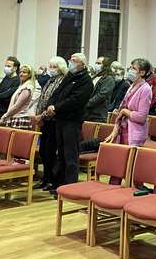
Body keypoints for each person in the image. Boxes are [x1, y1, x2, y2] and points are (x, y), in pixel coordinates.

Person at [48, 53, 93, 192]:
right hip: (60, 119)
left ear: (82, 65)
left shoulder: (86, 81)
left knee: (70, 155)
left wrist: (56, 107)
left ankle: (69, 187)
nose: (71, 63)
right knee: (60, 153)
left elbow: (75, 100)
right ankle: (58, 185)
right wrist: (51, 105)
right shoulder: (69, 76)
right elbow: (57, 93)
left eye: (74, 61)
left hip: (72, 121)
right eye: (70, 60)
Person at [33, 56, 67, 191]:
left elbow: (54, 102)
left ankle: (51, 179)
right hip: (44, 120)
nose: (52, 69)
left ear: (61, 68)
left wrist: (42, 115)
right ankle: (45, 178)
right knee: (43, 151)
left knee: (50, 152)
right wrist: (39, 116)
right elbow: (43, 99)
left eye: (55, 67)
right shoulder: (49, 80)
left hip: (53, 120)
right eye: (51, 66)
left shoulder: (62, 81)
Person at [105, 58, 153, 146]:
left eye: (134, 68)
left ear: (142, 72)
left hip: (134, 133)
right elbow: (124, 105)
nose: (130, 70)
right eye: (130, 68)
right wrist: (120, 111)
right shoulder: (132, 86)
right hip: (123, 128)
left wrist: (124, 111)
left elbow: (141, 117)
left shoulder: (146, 89)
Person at [0, 64, 38, 130]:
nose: (21, 74)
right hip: (15, 117)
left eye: (24, 72)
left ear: (29, 75)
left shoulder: (27, 87)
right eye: (20, 72)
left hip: (21, 119)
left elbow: (17, 106)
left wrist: (5, 115)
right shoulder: (21, 86)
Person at [83, 56, 114, 122]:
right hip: (87, 113)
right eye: (96, 63)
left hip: (98, 115)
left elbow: (101, 95)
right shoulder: (94, 77)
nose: (96, 65)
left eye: (99, 63)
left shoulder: (109, 79)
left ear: (105, 66)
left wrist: (86, 103)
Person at [0, 56, 20, 122]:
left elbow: (7, 96)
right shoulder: (6, 78)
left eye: (9, 66)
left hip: (7, 113)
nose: (6, 68)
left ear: (15, 68)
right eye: (5, 66)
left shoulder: (17, 80)